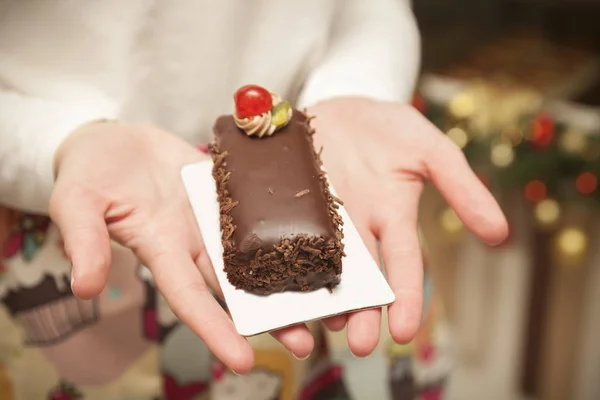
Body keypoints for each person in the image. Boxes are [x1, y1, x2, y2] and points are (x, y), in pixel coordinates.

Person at [0, 0, 508, 399]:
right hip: (68, 233)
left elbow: (372, 7)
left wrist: (358, 87)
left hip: (346, 181)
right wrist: (54, 143)